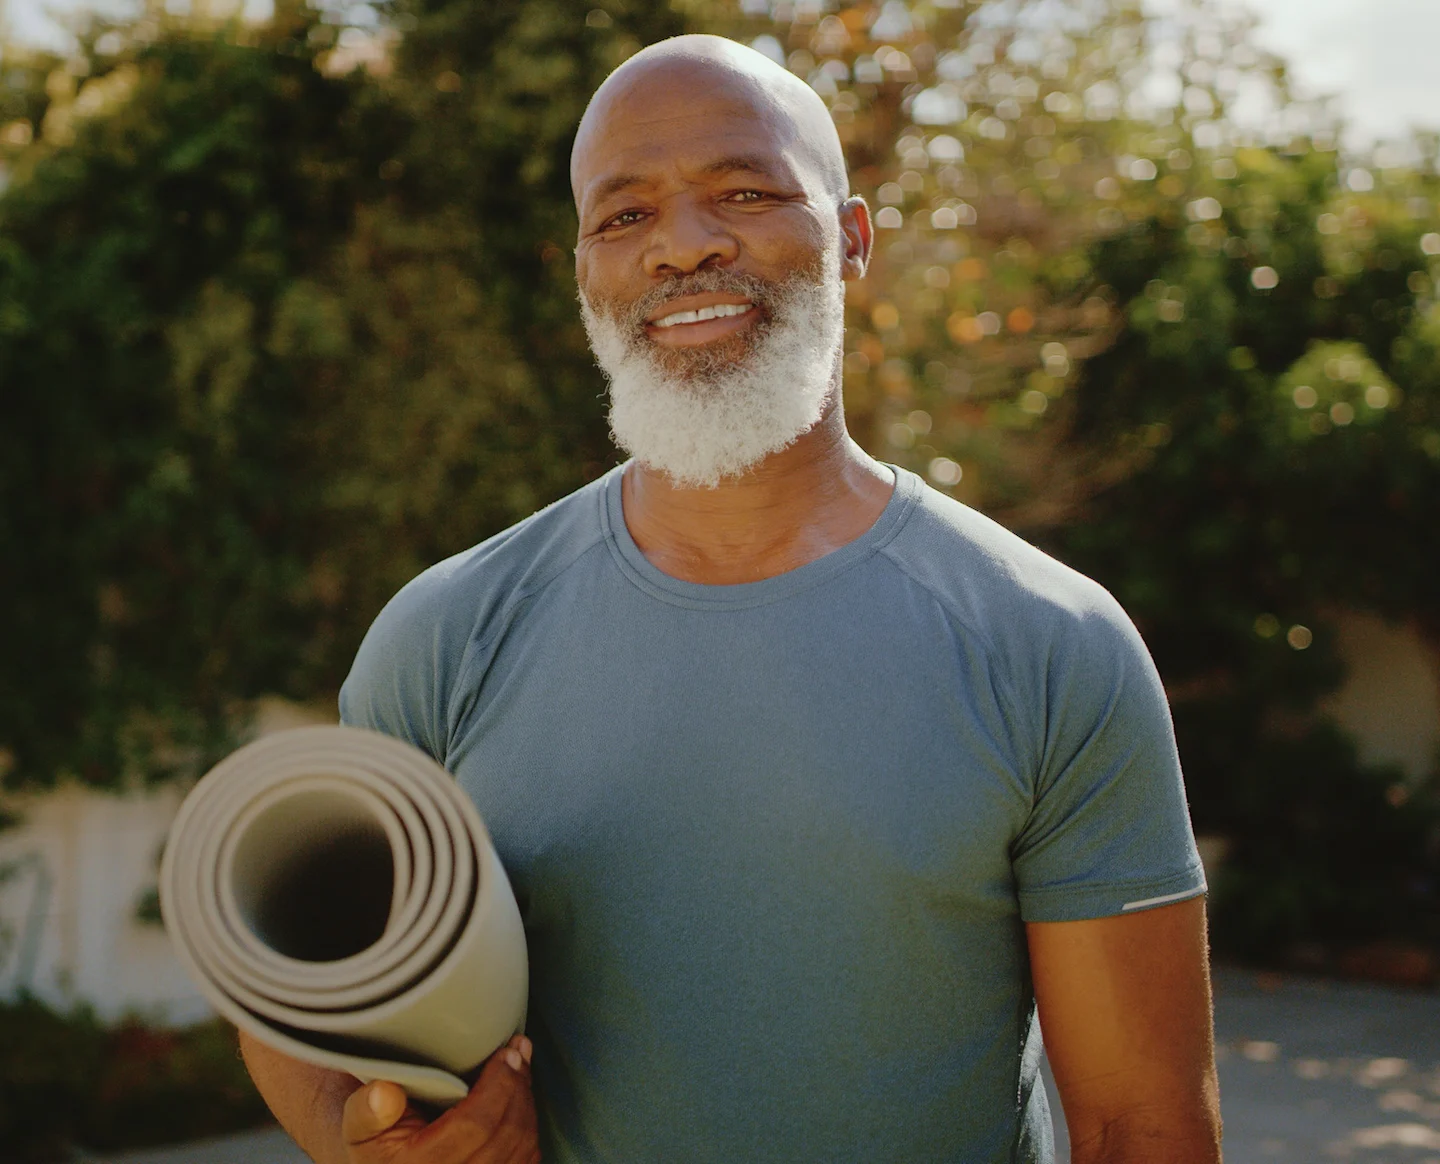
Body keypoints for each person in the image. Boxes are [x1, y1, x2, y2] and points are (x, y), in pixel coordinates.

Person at [239, 33, 1222, 1164]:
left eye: (744, 192)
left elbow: (1140, 1126)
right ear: (586, 276)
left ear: (851, 240)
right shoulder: (444, 634)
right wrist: (359, 1136)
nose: (683, 247)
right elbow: (294, 978)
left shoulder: (1052, 642)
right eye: (625, 217)